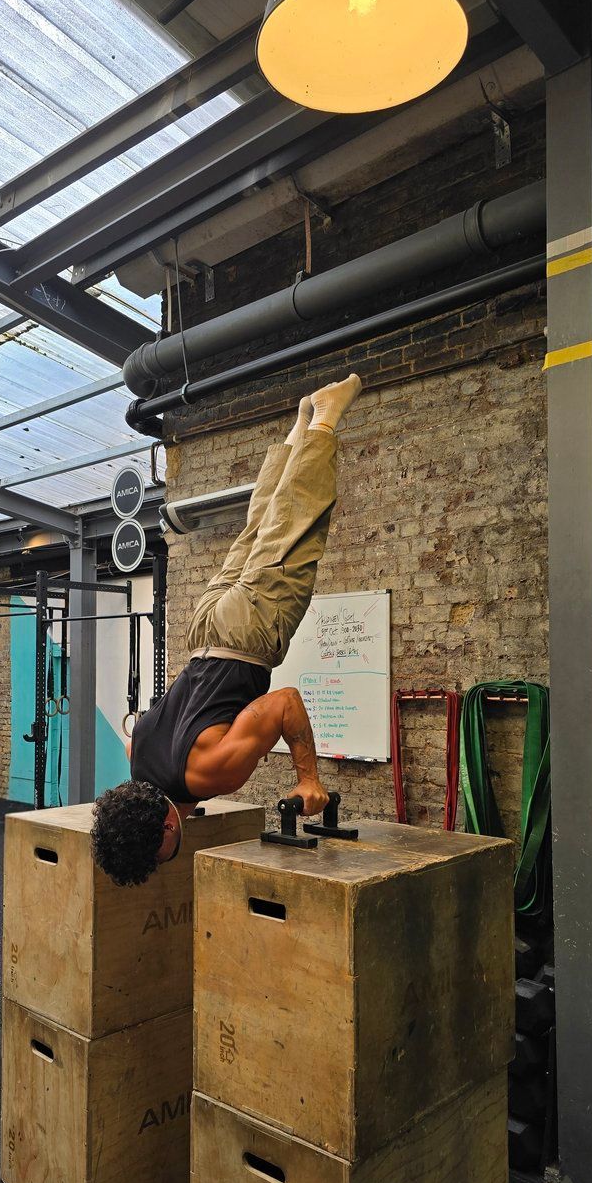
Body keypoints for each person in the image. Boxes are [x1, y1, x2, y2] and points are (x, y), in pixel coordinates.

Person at [91, 374, 363, 885]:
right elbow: (133, 730)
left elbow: (284, 703)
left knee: (295, 531)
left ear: (165, 834)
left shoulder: (210, 774)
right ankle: (297, 430)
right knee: (260, 531)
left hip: (248, 637)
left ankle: (324, 419)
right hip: (204, 628)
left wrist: (309, 781)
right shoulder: (138, 763)